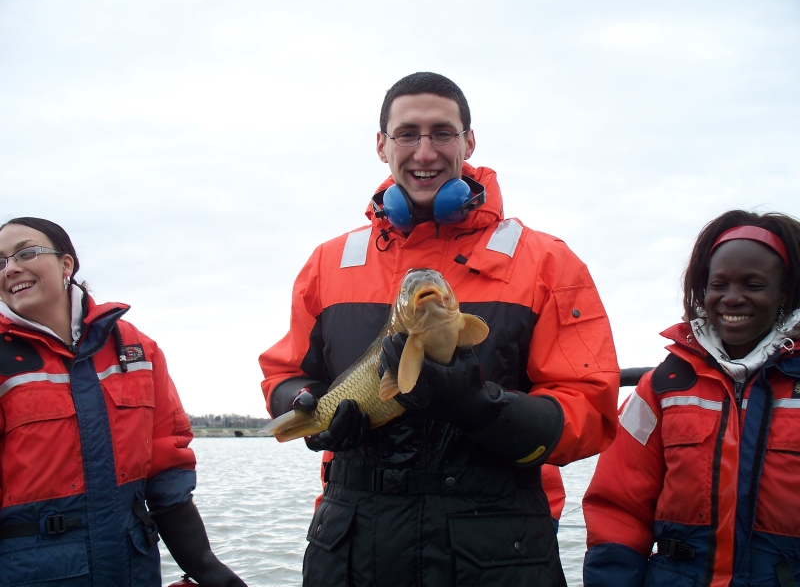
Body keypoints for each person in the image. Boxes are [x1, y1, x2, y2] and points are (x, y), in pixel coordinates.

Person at [259, 71, 620, 586]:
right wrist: (306, 406)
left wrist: (480, 406)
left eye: (442, 133)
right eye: (407, 134)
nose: (424, 152)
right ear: (381, 144)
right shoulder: (326, 262)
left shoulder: (547, 262)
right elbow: (282, 376)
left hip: (498, 555)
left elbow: (591, 410)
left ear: (468, 142)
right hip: (351, 550)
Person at [0, 217, 246, 587]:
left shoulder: (136, 349)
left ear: (67, 264)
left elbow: (166, 468)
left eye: (26, 252)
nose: (11, 268)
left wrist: (206, 568)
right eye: (0, 262)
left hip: (133, 569)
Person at [582, 210, 800, 586]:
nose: (732, 298)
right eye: (719, 285)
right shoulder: (661, 387)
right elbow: (618, 507)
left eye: (753, 284)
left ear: (785, 292)